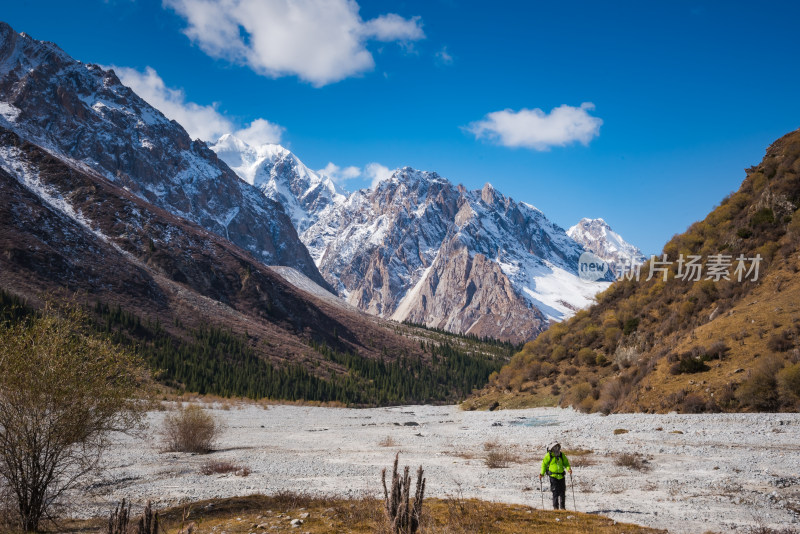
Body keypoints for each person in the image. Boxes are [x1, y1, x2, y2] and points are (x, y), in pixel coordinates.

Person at [539, 441, 572, 510]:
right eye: (555, 447)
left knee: (562, 492)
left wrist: (568, 469)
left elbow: (566, 463)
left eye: (557, 447)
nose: (556, 449)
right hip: (553, 477)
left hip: (561, 476)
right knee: (555, 492)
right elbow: (544, 465)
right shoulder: (548, 455)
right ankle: (556, 508)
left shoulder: (561, 455)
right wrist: (542, 473)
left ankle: (563, 508)